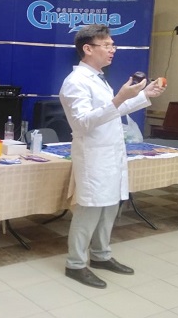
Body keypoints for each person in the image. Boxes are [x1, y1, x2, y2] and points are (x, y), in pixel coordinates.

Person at [59, 24, 165, 288]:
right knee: (89, 210)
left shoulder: (98, 78)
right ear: (87, 48)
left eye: (112, 45)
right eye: (106, 45)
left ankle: (101, 255)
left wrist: (144, 94)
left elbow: (112, 111)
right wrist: (118, 99)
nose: (112, 49)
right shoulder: (75, 81)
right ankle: (75, 264)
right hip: (93, 157)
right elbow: (82, 123)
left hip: (110, 155)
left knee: (109, 207)